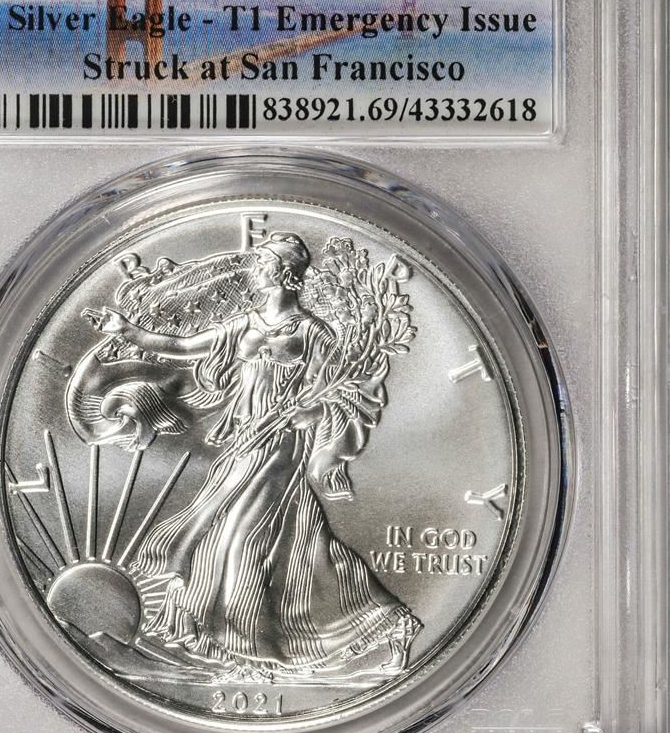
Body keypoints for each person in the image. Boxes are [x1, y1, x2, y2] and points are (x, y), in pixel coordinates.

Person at [87, 232, 421, 677]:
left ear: (285, 273)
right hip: (244, 439)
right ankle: (382, 624)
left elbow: (341, 393)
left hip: (281, 444)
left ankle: (249, 647)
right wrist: (126, 330)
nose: (256, 270)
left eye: (264, 264)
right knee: (278, 540)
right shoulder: (244, 323)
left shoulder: (312, 332)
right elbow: (183, 348)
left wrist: (309, 411)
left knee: (242, 536)